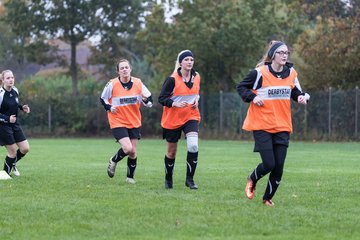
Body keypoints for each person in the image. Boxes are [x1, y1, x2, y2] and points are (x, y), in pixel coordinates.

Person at [236, 41, 310, 206]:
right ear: (273, 55)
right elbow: (241, 87)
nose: (285, 56)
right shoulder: (259, 73)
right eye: (281, 53)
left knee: (279, 167)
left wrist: (300, 97)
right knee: (269, 163)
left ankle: (267, 198)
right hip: (262, 124)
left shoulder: (291, 73)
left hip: (283, 125)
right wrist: (253, 97)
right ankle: (252, 178)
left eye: (286, 53)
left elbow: (295, 91)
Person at [100, 59, 153, 184]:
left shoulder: (138, 83)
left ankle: (130, 178)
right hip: (117, 120)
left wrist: (146, 101)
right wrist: (109, 107)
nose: (124, 70)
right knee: (128, 148)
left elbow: (150, 101)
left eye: (126, 67)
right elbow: (103, 99)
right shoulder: (112, 84)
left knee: (133, 152)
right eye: (122, 68)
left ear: (130, 69)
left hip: (134, 121)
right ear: (118, 71)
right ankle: (113, 161)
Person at [158, 50, 201, 190]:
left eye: (191, 59)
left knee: (193, 146)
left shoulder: (197, 76)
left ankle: (190, 180)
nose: (189, 62)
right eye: (186, 59)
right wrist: (174, 103)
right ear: (180, 62)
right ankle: (168, 179)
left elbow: (196, 94)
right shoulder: (172, 79)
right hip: (173, 119)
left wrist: (196, 101)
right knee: (171, 152)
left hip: (191, 116)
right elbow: (161, 99)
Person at [0, 70, 30, 180]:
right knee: (12, 152)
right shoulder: (1, 94)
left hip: (15, 124)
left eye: (12, 77)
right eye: (8, 78)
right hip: (3, 126)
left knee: (25, 148)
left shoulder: (15, 90)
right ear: (3, 80)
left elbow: (15, 103)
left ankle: (12, 164)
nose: (11, 80)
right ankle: (5, 175)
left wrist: (22, 107)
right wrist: (7, 119)